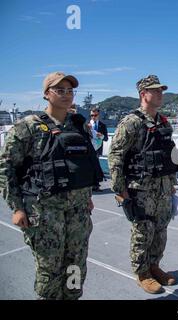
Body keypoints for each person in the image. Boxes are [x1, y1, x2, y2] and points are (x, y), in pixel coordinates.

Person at [0, 71, 103, 299]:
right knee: (50, 269)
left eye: (70, 90)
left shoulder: (78, 125)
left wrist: (86, 197)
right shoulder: (27, 127)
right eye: (60, 90)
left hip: (78, 212)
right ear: (47, 94)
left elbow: (82, 165)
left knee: (76, 264)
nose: (66, 95)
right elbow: (6, 168)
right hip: (44, 212)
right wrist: (16, 208)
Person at [108, 74, 178, 294]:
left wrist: (172, 183)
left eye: (161, 90)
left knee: (161, 230)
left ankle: (154, 265)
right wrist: (120, 191)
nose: (160, 94)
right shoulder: (131, 122)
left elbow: (168, 154)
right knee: (143, 231)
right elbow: (116, 156)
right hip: (141, 189)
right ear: (143, 94)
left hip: (163, 188)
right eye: (155, 90)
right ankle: (142, 273)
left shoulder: (163, 121)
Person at [88, 106, 108, 191]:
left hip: (97, 148)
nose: (93, 117)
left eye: (95, 115)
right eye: (92, 115)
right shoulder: (87, 124)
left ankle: (96, 185)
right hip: (88, 148)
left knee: (96, 166)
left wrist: (102, 136)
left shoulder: (102, 125)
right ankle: (90, 184)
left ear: (98, 115)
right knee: (89, 166)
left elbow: (106, 138)